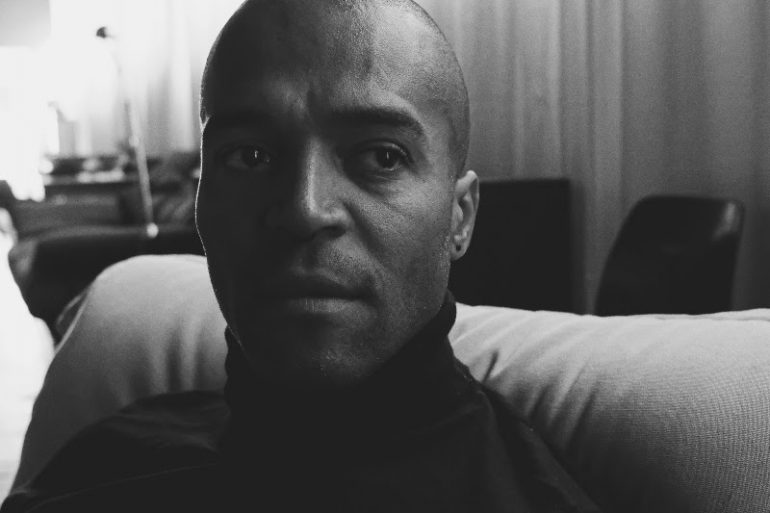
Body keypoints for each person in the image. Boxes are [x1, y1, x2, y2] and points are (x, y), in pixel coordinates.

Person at [2, 0, 600, 511]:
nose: (304, 209)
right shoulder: (103, 464)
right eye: (251, 156)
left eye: (381, 157)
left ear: (459, 217)